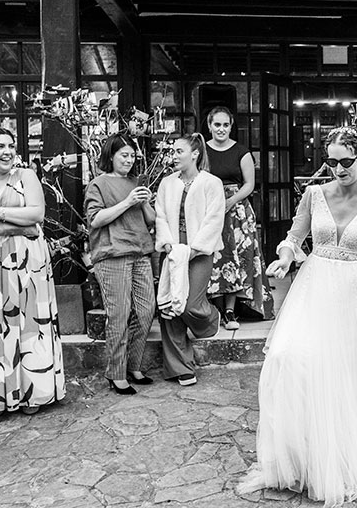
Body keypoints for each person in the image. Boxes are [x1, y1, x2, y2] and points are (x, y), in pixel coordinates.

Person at [238, 126, 357, 508]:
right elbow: (294, 237)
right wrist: (285, 257)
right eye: (332, 161)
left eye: (346, 161)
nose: (338, 168)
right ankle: (299, 457)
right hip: (312, 288)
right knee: (286, 357)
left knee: (342, 374)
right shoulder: (313, 194)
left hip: (354, 293)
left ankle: (338, 458)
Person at [0, 127, 65, 416]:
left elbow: (37, 215)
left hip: (28, 259)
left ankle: (34, 392)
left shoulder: (26, 176)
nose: (7, 151)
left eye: (10, 145)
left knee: (29, 323)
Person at [85, 133, 157, 396]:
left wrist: (145, 202)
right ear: (111, 156)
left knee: (147, 310)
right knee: (119, 314)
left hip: (140, 252)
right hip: (112, 254)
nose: (129, 159)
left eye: (132, 155)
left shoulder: (137, 182)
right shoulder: (98, 184)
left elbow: (151, 220)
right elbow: (95, 220)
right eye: (123, 155)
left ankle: (133, 365)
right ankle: (116, 373)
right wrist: (127, 202)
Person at [154, 132, 225, 386]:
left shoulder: (211, 182)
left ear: (194, 154)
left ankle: (210, 320)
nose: (173, 156)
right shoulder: (166, 183)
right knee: (170, 308)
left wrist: (196, 248)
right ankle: (181, 367)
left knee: (190, 304)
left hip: (199, 252)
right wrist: (167, 244)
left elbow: (215, 218)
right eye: (172, 152)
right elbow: (160, 215)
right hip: (173, 250)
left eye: (178, 151)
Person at [204, 107, 274, 329]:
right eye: (217, 124)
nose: (221, 129)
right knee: (213, 257)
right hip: (208, 209)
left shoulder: (242, 151)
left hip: (237, 213)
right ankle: (215, 308)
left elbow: (249, 185)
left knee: (237, 258)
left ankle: (231, 310)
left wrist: (229, 202)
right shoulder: (202, 151)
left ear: (231, 126)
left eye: (226, 125)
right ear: (209, 126)